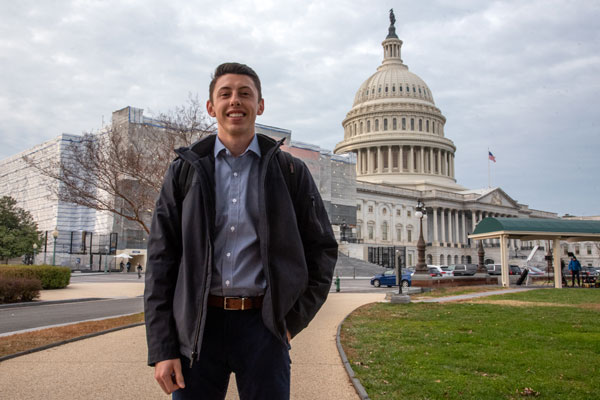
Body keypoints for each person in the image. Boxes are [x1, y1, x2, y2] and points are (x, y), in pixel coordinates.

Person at [144, 62, 338, 399]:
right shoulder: (184, 172)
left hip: (264, 326)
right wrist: (163, 348)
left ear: (260, 105)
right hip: (199, 328)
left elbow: (322, 249)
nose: (235, 101)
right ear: (211, 107)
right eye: (226, 94)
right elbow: (161, 262)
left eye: (245, 94)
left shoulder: (291, 171)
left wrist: (290, 322)